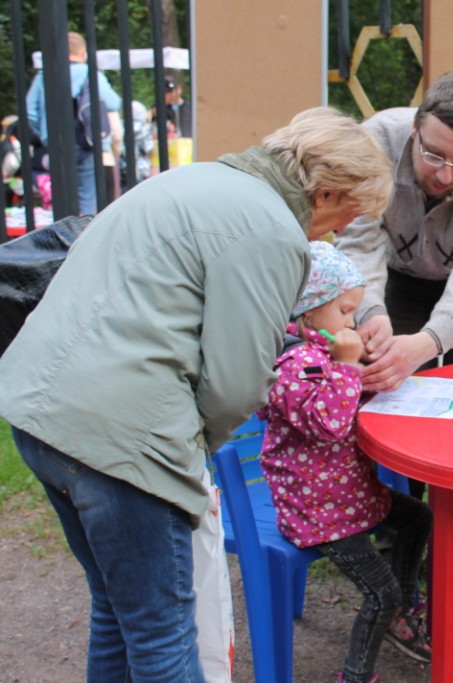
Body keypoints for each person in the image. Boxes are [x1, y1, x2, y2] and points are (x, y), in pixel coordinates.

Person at [0, 106, 392, 682]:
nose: (332, 235)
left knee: (118, 610)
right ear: (329, 192)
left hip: (40, 414)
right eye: (343, 220)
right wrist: (189, 453)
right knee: (163, 634)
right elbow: (237, 384)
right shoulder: (272, 231)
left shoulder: (193, 179)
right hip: (121, 438)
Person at [335, 71, 453, 609]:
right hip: (392, 278)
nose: (448, 174)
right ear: (415, 130)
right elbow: (357, 237)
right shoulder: (375, 141)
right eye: (436, 155)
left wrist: (427, 342)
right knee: (387, 397)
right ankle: (398, 533)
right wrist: (371, 312)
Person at [259, 241, 432, 683]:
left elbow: (348, 402)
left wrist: (371, 379)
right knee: (381, 594)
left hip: (352, 495)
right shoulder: (292, 365)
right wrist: (348, 366)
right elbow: (331, 424)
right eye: (344, 312)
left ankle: (406, 606)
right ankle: (356, 676)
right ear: (308, 310)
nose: (352, 323)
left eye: (354, 313)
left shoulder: (324, 357)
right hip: (318, 511)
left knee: (418, 517)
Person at [25, 31, 122, 215]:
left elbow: (30, 112)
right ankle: (81, 237)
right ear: (83, 51)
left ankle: (63, 233)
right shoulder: (89, 73)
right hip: (87, 143)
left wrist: (45, 133)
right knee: (86, 202)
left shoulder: (44, 76)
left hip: (56, 144)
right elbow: (113, 102)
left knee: (61, 199)